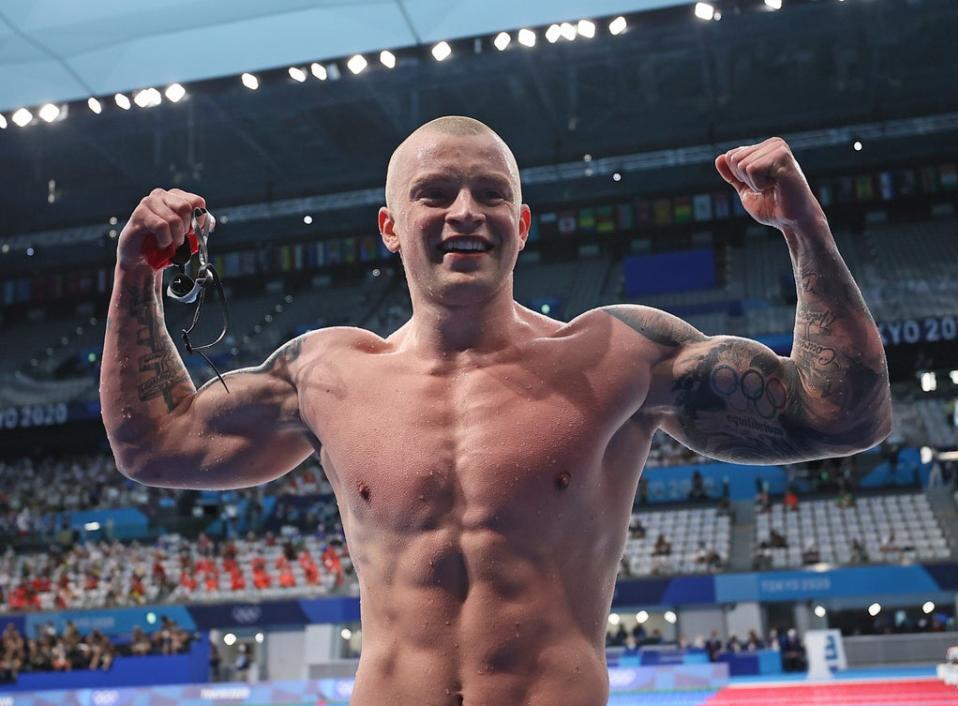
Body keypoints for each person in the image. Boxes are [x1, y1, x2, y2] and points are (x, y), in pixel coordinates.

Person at [101, 117, 892, 706]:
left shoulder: (617, 356)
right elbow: (157, 446)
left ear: (522, 225)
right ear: (389, 227)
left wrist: (802, 229)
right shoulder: (328, 374)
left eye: (492, 194)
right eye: (433, 193)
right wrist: (137, 273)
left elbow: (842, 416)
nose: (465, 212)